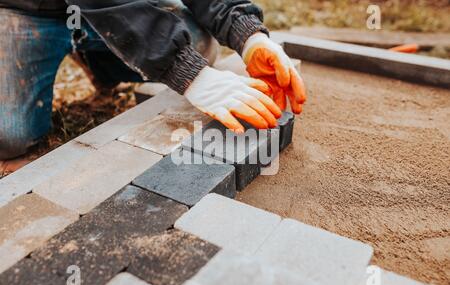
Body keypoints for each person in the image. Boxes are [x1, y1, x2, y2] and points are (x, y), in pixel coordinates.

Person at [0, 0, 306, 175]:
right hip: (25, 10)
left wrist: (247, 34)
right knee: (10, 136)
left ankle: (95, 59)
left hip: (117, 5)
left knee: (198, 45)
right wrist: (184, 69)